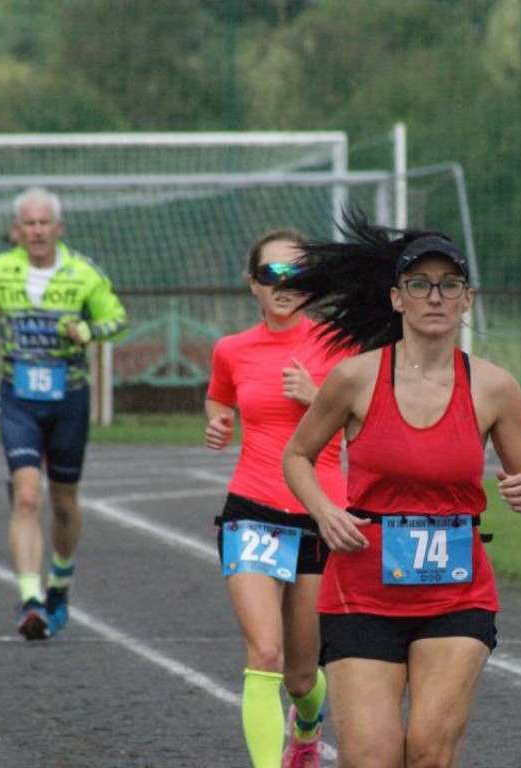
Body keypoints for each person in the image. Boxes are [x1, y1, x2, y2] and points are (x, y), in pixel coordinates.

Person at [282, 213, 521, 768]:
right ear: (398, 299)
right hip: (362, 592)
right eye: (420, 285)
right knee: (371, 758)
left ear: (467, 300)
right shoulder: (354, 378)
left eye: (449, 286)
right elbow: (299, 455)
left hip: (457, 594)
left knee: (429, 751)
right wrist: (325, 511)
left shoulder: (495, 387)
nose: (435, 297)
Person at [204, 228, 350, 768]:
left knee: (301, 675)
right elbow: (218, 397)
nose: (284, 286)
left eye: (296, 276)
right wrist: (218, 425)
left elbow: (372, 423)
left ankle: (306, 728)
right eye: (272, 275)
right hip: (252, 512)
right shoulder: (232, 350)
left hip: (319, 513)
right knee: (264, 653)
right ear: (253, 285)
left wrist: (321, 399)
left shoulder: (342, 345)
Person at [0, 186, 127, 641]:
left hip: (69, 400)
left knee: (62, 500)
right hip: (17, 398)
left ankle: (59, 580)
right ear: (16, 230)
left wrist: (86, 331)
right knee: (26, 495)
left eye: (44, 223)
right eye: (29, 224)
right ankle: (30, 599)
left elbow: (116, 319)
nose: (37, 231)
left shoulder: (83, 274)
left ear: (58, 228)